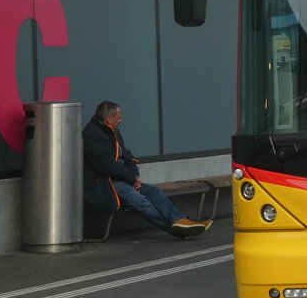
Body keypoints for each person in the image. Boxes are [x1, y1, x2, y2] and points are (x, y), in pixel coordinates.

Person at [82, 101, 212, 239]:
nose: (121, 120)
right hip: (103, 183)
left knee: (153, 191)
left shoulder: (113, 132)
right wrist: (131, 179)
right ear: (109, 119)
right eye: (118, 117)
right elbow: (105, 165)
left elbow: (127, 157)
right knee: (140, 200)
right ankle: (178, 230)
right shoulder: (92, 134)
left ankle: (179, 221)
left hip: (121, 179)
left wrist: (134, 176)